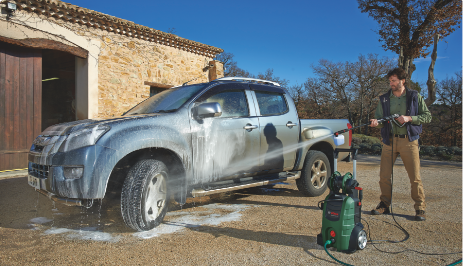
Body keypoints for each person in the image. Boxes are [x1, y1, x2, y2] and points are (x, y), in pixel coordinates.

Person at [369, 67, 432, 221]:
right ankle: (384, 204)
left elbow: (427, 116)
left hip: (409, 141)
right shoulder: (384, 99)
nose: (391, 83)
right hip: (389, 141)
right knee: (384, 176)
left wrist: (409, 118)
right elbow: (380, 120)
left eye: (394, 80)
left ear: (402, 81)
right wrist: (376, 123)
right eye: (390, 80)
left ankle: (420, 208)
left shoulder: (414, 96)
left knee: (415, 177)